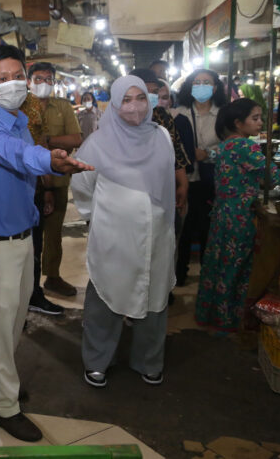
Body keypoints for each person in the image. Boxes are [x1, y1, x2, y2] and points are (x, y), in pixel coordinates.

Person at [0, 45, 91, 442]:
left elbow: (24, 160)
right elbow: (18, 156)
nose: (12, 84)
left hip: (21, 237)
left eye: (16, 75)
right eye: (1, 79)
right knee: (1, 324)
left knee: (12, 320)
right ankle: (4, 407)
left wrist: (40, 201)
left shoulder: (20, 119)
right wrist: (51, 161)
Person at [71, 75, 176, 388]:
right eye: (126, 100)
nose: (134, 107)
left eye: (140, 98)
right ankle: (97, 360)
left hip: (157, 235)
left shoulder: (161, 136)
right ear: (115, 104)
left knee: (154, 298)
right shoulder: (96, 143)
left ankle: (149, 360)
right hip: (113, 236)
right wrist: (104, 217)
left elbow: (166, 182)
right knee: (106, 295)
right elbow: (82, 188)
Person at [197, 99, 280, 332]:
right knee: (238, 268)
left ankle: (213, 315)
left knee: (220, 265)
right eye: (255, 118)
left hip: (222, 214)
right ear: (238, 122)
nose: (260, 122)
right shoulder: (246, 147)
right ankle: (231, 321)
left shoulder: (225, 146)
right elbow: (274, 177)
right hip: (241, 217)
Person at [22, 62, 82, 310]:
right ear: (29, 81)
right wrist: (52, 146)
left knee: (54, 233)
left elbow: (76, 138)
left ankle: (52, 277)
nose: (43, 83)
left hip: (56, 181)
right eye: (38, 78)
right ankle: (28, 286)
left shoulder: (63, 107)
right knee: (29, 238)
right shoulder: (20, 107)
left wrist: (45, 140)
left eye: (48, 79)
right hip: (26, 184)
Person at [174, 69, 228, 286]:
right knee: (183, 230)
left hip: (213, 181)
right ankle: (179, 274)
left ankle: (209, 277)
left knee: (209, 229)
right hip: (184, 181)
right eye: (197, 82)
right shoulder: (179, 113)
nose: (202, 86)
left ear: (215, 87)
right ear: (190, 86)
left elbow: (234, 147)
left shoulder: (225, 114)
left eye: (207, 82)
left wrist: (209, 153)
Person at [129, 68, 189, 214]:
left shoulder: (162, 115)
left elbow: (175, 150)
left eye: (154, 92)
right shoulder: (121, 117)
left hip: (162, 186)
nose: (151, 96)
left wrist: (183, 183)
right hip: (130, 190)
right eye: (145, 91)